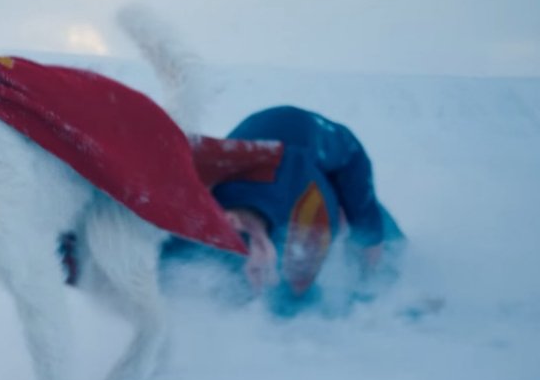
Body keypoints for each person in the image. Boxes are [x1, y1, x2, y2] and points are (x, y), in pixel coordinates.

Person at [164, 105, 405, 316]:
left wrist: (369, 233)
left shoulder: (313, 190)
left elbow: (350, 156)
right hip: (251, 196)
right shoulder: (188, 229)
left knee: (378, 252)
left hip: (319, 152)